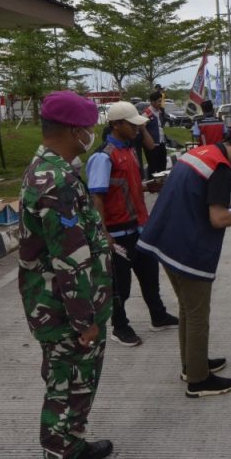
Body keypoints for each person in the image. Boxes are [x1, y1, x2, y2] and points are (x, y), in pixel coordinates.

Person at [17, 90, 115, 459]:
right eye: (88, 128)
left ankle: (73, 445)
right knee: (65, 388)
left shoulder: (56, 169)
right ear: (75, 131)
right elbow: (68, 262)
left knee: (79, 384)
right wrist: (85, 321)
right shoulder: (54, 181)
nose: (91, 133)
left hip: (71, 308)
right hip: (64, 312)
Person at [137, 124, 231, 398]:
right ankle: (198, 380)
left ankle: (191, 364)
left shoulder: (201, 152)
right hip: (188, 249)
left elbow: (201, 199)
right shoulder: (221, 168)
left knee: (186, 308)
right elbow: (217, 219)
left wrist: (230, 207)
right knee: (197, 315)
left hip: (166, 241)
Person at [86, 102, 179, 348]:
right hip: (117, 233)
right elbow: (97, 196)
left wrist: (148, 186)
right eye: (132, 124)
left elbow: (126, 187)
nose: (137, 128)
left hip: (139, 226)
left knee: (150, 276)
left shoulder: (128, 150)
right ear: (116, 125)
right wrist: (103, 233)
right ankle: (120, 326)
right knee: (121, 286)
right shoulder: (103, 157)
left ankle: (158, 315)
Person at [141, 89, 168, 178]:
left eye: (161, 101)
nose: (160, 103)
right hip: (152, 145)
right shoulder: (146, 113)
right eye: (158, 101)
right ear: (152, 102)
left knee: (162, 165)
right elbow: (142, 127)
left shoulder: (160, 112)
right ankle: (152, 185)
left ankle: (161, 184)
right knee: (153, 167)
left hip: (161, 143)